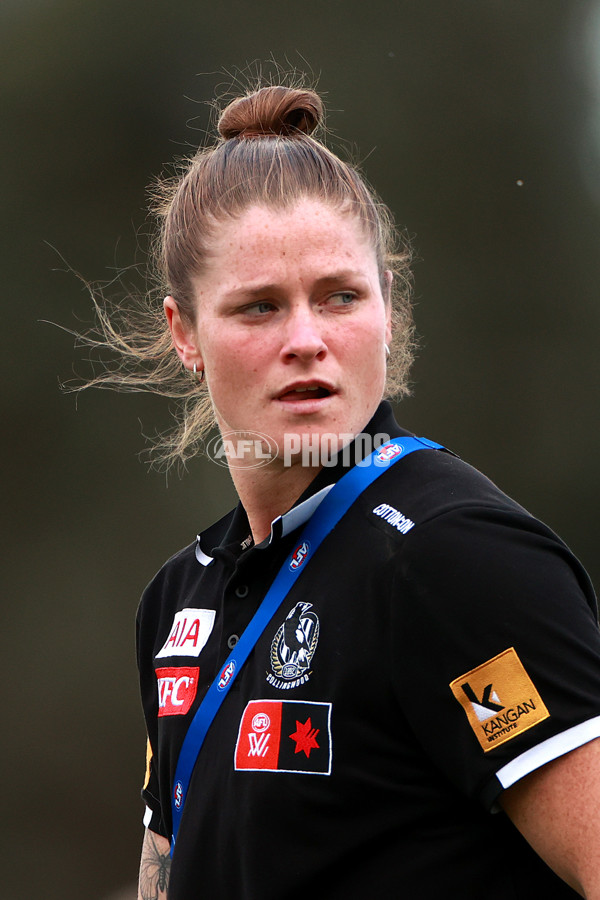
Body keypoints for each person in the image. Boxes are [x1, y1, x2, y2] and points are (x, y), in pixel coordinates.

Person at [114, 84, 600, 898]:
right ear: (185, 334)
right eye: (259, 307)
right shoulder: (176, 601)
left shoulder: (453, 556)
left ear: (388, 312)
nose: (306, 340)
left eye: (340, 296)